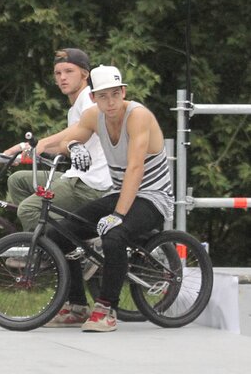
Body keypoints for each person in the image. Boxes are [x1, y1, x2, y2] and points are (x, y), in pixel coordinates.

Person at [42, 65, 173, 332]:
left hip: (152, 197)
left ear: (123, 92)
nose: (110, 102)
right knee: (61, 232)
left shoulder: (138, 116)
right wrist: (63, 146)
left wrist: (118, 215)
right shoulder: (93, 116)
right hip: (120, 193)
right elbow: (67, 139)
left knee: (114, 235)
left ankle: (106, 309)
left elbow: (136, 168)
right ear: (94, 98)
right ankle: (77, 306)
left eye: (115, 94)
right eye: (103, 96)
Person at [3, 48, 112, 231]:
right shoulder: (75, 108)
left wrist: (43, 143)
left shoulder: (89, 99)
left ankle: (51, 251)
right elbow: (65, 144)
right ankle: (60, 236)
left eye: (69, 71)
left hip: (91, 184)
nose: (62, 77)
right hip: (77, 177)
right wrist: (26, 149)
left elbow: (81, 127)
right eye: (58, 73)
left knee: (28, 210)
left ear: (84, 74)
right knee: (17, 181)